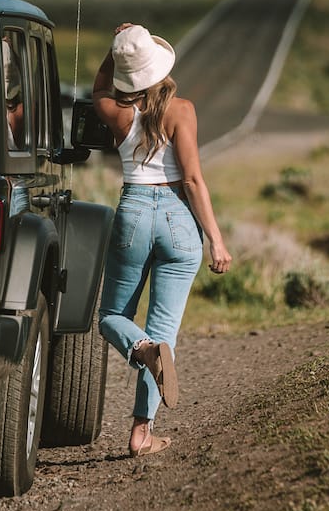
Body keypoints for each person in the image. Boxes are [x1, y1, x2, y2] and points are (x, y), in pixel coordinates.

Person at [93, 22, 232, 458]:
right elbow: (192, 179)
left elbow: (100, 83)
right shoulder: (183, 111)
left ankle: (140, 348)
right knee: (164, 333)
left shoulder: (113, 111)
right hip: (178, 219)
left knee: (112, 316)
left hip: (133, 212)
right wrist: (216, 240)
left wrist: (115, 51)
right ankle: (141, 433)